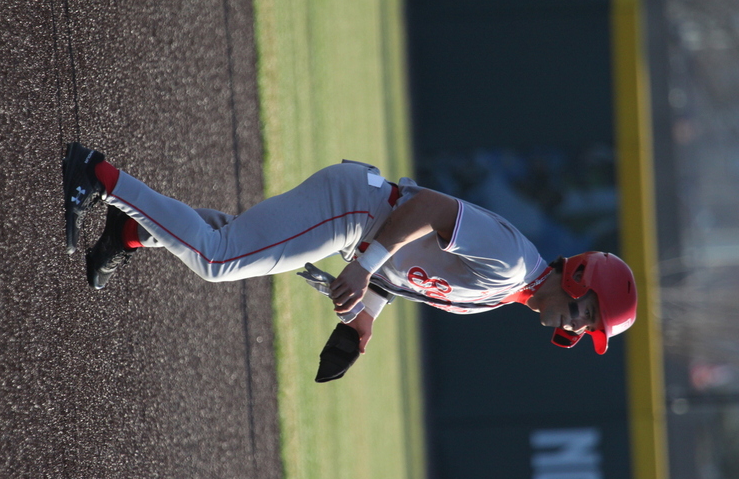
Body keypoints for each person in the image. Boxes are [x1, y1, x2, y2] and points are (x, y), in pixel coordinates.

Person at [62, 142, 637, 361]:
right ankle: (99, 176)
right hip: (355, 211)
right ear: (581, 276)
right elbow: (428, 208)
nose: (580, 325)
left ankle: (130, 231)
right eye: (590, 314)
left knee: (232, 239)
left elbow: (402, 275)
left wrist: (360, 327)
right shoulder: (514, 263)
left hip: (358, 225)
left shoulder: (509, 293)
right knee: (219, 259)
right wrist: (361, 268)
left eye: (589, 329)